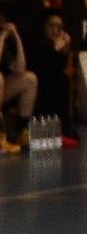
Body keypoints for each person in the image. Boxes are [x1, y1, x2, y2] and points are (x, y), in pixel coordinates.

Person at [0, 6, 36, 150]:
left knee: (30, 79)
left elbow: (20, 69)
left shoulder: (1, 42)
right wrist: (2, 38)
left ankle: (22, 131)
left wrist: (16, 38)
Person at [27, 10, 78, 147]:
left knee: (63, 80)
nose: (55, 30)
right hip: (35, 84)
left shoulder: (56, 43)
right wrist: (56, 48)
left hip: (52, 81)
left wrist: (65, 50)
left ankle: (63, 128)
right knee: (48, 79)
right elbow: (41, 67)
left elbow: (58, 68)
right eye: (51, 26)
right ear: (43, 26)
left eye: (59, 27)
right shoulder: (34, 42)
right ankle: (47, 127)